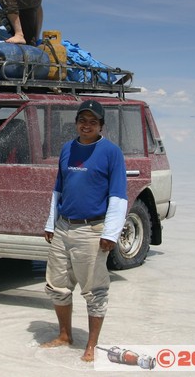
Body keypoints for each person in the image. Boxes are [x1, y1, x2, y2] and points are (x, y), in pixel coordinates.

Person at [42, 100, 128, 362]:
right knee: (56, 286)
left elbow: (118, 196)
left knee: (94, 291)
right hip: (64, 226)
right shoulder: (67, 148)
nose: (87, 125)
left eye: (93, 121)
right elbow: (58, 189)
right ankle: (65, 335)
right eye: (83, 120)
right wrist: (50, 222)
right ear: (77, 122)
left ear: (101, 125)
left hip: (92, 230)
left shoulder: (112, 153)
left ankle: (91, 345)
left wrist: (110, 234)